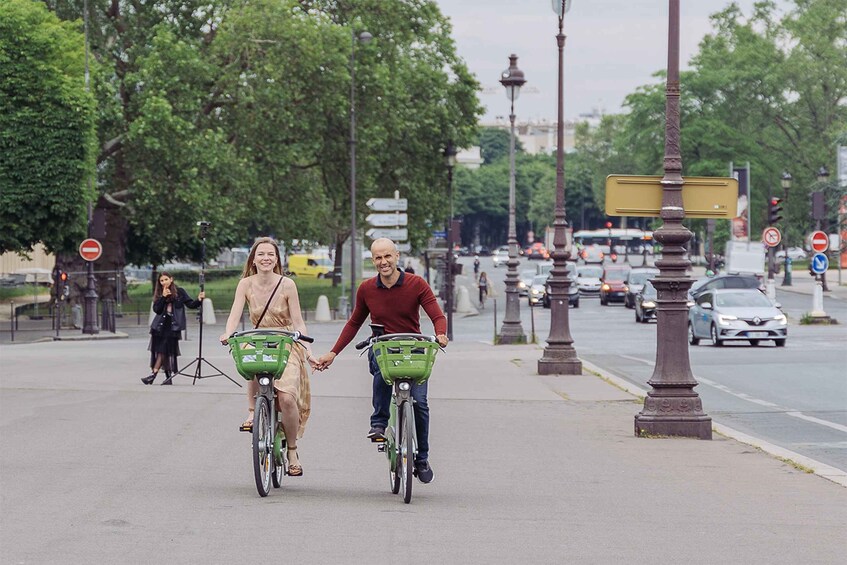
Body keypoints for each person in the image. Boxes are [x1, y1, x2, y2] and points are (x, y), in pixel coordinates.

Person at [314, 238, 448, 484]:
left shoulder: (416, 284)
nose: (383, 262)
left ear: (397, 257)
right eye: (378, 257)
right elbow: (354, 322)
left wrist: (440, 334)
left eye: (387, 256)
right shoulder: (366, 289)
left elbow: (437, 315)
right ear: (373, 260)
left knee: (419, 402)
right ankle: (378, 423)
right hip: (384, 348)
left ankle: (422, 457)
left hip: (413, 349)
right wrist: (333, 353)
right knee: (380, 367)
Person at [219, 237, 317, 477]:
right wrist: (228, 333)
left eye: (270, 255)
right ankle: (253, 411)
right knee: (249, 358)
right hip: (259, 338)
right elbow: (234, 315)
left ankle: (292, 450)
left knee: (287, 399)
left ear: (276, 259)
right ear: (253, 258)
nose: (265, 258)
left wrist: (308, 349)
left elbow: (298, 321)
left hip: (286, 341)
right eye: (261, 254)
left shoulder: (287, 285)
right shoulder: (245, 284)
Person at [142, 272, 204, 386]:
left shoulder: (180, 292)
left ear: (171, 279)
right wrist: (163, 297)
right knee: (162, 351)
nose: (164, 282)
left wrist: (199, 300)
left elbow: (190, 304)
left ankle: (153, 375)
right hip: (159, 326)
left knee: (166, 350)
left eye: (166, 279)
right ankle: (167, 377)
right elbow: (157, 309)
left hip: (173, 327)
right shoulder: (160, 293)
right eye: (161, 280)